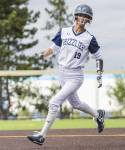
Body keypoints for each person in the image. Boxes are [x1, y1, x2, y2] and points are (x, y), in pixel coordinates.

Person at [27, 4, 105, 146]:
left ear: (89, 20)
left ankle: (42, 136)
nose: (83, 18)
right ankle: (97, 115)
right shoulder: (64, 31)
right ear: (76, 16)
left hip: (75, 76)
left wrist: (99, 74)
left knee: (54, 102)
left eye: (86, 17)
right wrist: (43, 54)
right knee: (76, 104)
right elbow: (53, 48)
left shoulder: (89, 38)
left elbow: (99, 57)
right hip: (62, 73)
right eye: (81, 15)